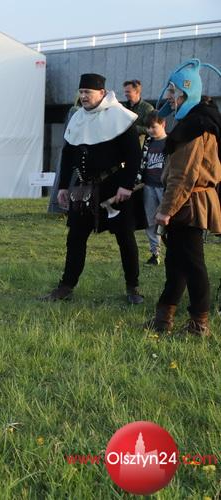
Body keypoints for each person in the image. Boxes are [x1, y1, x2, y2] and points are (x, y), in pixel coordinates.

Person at [42, 73, 145, 304]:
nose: (83, 96)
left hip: (115, 188)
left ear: (101, 93)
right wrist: (63, 187)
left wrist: (126, 185)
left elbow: (134, 155)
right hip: (84, 188)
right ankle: (66, 287)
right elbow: (68, 155)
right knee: (75, 238)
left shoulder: (120, 116)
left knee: (125, 238)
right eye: (81, 92)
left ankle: (133, 288)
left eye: (87, 92)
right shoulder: (78, 117)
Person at [144, 59, 221, 337]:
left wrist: (165, 210)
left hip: (189, 203)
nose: (168, 96)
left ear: (186, 93)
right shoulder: (192, 122)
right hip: (185, 200)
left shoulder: (195, 127)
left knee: (192, 264)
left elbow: (183, 176)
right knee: (175, 263)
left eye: (173, 91)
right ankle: (163, 318)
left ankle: (199, 324)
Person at [140, 111, 168, 265]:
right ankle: (155, 253)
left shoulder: (170, 142)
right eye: (148, 127)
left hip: (165, 188)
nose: (150, 130)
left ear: (163, 124)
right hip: (149, 186)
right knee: (150, 221)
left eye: (153, 127)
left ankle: (172, 250)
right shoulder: (147, 142)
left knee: (167, 220)